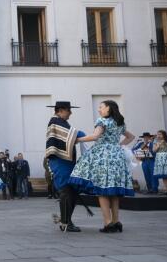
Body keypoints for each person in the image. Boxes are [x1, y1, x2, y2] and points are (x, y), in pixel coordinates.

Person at [69, 100, 135, 233]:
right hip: (117, 157)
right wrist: (118, 145)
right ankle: (116, 221)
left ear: (109, 109)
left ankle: (108, 223)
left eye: (101, 107)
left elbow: (95, 136)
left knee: (102, 190)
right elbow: (131, 137)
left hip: (103, 157)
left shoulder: (102, 121)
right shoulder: (119, 122)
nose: (99, 109)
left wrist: (77, 140)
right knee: (114, 191)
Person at [45, 101, 85, 232]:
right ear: (61, 110)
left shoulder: (61, 122)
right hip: (60, 162)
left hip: (66, 162)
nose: (71, 113)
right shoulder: (56, 121)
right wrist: (87, 135)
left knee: (71, 191)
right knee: (66, 191)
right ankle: (66, 223)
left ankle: (66, 220)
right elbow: (69, 134)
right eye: (69, 110)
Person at [153, 130, 167, 195]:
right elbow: (154, 150)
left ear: (164, 135)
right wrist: (159, 144)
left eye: (160, 134)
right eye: (158, 134)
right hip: (160, 159)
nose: (158, 136)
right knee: (163, 175)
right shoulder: (156, 141)